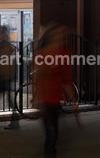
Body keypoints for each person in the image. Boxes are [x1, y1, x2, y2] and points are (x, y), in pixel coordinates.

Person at [35, 23, 77, 158]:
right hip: (45, 100)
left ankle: (51, 152)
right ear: (52, 36)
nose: (61, 37)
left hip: (56, 100)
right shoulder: (42, 54)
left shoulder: (64, 54)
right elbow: (38, 75)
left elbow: (66, 80)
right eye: (59, 34)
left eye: (63, 35)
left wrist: (73, 100)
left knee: (55, 134)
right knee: (51, 133)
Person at [0, 25, 20, 129]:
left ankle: (14, 122)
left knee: (6, 100)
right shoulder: (4, 45)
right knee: (3, 99)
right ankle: (14, 122)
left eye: (0, 33)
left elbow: (8, 63)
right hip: (4, 76)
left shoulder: (7, 46)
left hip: (5, 77)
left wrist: (4, 74)